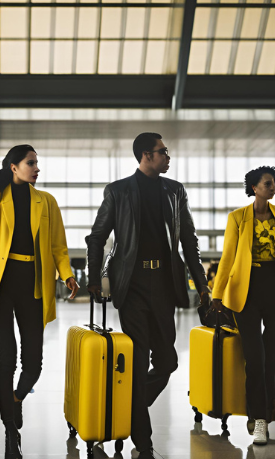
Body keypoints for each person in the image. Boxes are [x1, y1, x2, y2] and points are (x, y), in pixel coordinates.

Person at [86, 133, 210, 459]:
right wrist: (93, 279)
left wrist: (202, 285)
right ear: (146, 156)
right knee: (139, 362)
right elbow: (97, 237)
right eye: (162, 152)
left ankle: (127, 406)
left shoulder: (174, 191)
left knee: (167, 361)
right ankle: (145, 444)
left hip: (165, 284)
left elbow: (190, 241)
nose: (168, 156)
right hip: (132, 283)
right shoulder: (118, 191)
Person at [0, 144, 79, 459]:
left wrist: (66, 274)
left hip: (33, 284)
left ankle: (15, 399)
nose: (36, 168)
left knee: (34, 363)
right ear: (14, 167)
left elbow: (59, 246)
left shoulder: (47, 202)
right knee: (7, 358)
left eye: (37, 163)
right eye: (31, 163)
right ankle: (10, 428)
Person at [212, 166, 275, 446]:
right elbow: (228, 257)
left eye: (274, 183)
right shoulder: (238, 218)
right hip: (246, 293)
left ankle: (263, 413)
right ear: (254, 188)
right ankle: (259, 421)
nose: (272, 186)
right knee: (255, 360)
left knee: (272, 359)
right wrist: (217, 295)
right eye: (267, 183)